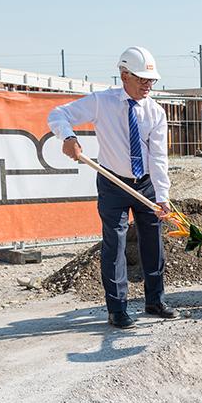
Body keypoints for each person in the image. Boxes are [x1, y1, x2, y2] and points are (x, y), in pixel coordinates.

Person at [48, 46, 177, 328]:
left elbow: (158, 158)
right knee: (115, 244)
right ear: (124, 75)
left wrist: (162, 196)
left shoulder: (155, 112)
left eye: (151, 80)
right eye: (142, 79)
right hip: (112, 182)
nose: (148, 85)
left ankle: (155, 301)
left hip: (146, 185)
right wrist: (68, 137)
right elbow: (58, 114)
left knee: (153, 242)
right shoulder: (101, 102)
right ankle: (116, 309)